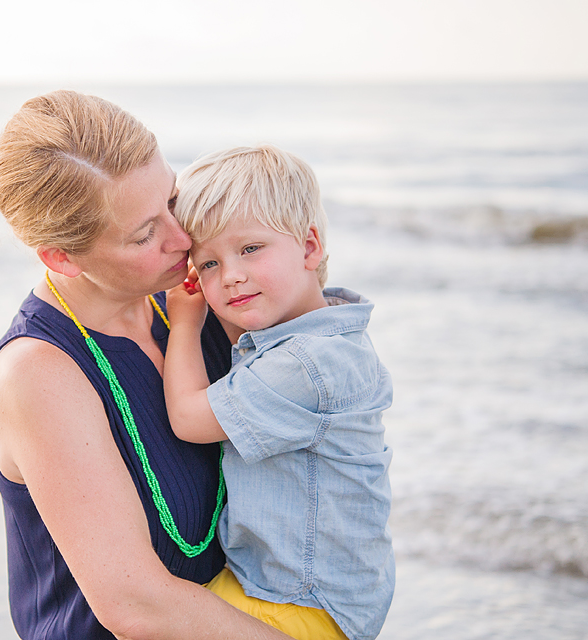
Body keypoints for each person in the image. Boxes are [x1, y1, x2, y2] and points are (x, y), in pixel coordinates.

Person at [0, 90, 292, 640]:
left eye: (174, 200)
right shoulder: (37, 373)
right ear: (61, 257)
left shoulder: (191, 301)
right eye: (145, 234)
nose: (182, 238)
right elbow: (136, 604)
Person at [163, 144, 395, 640]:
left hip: (301, 602)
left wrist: (185, 324)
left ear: (309, 247)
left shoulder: (307, 365)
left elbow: (188, 417)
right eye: (207, 265)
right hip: (283, 583)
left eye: (250, 249)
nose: (231, 276)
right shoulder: (313, 333)